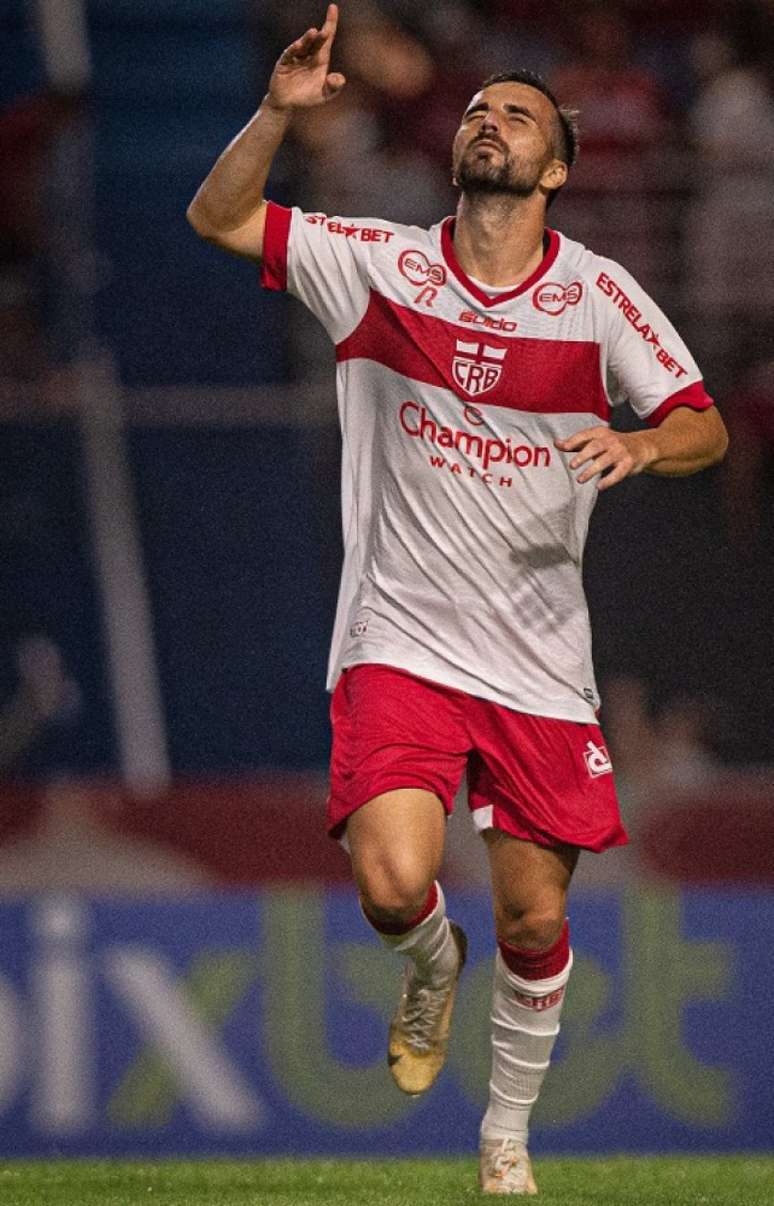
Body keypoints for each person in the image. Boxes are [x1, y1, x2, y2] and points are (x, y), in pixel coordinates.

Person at [187, 5, 728, 1194]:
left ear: (559, 168)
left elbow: (705, 424)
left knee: (535, 921)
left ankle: (506, 1142)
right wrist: (278, 114)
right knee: (391, 887)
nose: (492, 121)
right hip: (403, 639)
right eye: (481, 110)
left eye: (520, 115)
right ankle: (431, 962)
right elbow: (219, 217)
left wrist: (642, 448)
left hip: (538, 658)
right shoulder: (379, 264)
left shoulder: (599, 295)